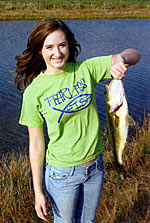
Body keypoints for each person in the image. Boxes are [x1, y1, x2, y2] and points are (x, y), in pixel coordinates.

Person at [14, 18, 141, 223]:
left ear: (69, 45)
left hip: (95, 168)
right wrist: (38, 191)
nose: (58, 53)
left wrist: (120, 59)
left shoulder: (85, 70)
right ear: (39, 50)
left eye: (62, 45)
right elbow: (36, 144)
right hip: (62, 174)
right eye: (50, 47)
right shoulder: (34, 92)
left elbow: (135, 54)